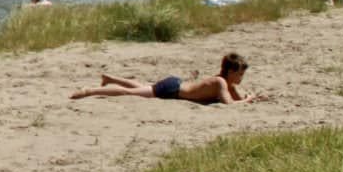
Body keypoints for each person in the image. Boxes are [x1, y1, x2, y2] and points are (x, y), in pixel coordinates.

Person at [71, 52, 256, 105]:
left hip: (175, 85)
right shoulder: (221, 82)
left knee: (144, 88)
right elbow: (229, 104)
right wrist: (248, 100)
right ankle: (89, 91)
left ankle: (111, 78)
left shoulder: (226, 82)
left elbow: (236, 98)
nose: (241, 77)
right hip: (172, 90)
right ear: (230, 72)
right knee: (131, 93)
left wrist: (247, 98)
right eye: (240, 74)